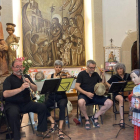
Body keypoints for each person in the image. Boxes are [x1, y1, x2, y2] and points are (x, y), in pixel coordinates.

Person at [3, 59, 55, 140]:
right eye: (17, 67)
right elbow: (5, 94)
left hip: (26, 103)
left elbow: (35, 88)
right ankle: (16, 137)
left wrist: (30, 83)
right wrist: (20, 88)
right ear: (12, 68)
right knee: (13, 113)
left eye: (21, 66)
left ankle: (40, 131)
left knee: (42, 107)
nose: (19, 69)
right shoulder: (8, 79)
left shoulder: (26, 77)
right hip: (12, 104)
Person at [75, 60, 113, 130]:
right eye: (91, 68)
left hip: (95, 95)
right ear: (87, 67)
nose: (93, 69)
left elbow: (102, 84)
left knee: (109, 102)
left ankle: (95, 117)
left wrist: (103, 75)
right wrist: (86, 93)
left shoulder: (95, 74)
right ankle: (87, 119)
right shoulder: (81, 74)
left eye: (94, 68)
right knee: (80, 102)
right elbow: (77, 86)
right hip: (84, 95)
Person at [44, 60, 70, 139]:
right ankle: (53, 122)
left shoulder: (64, 75)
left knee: (62, 106)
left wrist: (68, 77)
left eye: (59, 67)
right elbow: (47, 88)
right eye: (56, 67)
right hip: (52, 96)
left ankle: (60, 129)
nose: (58, 69)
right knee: (43, 106)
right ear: (54, 67)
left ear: (62, 68)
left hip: (61, 96)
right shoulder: (50, 76)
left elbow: (67, 86)